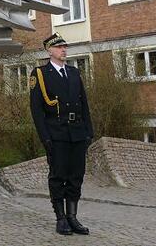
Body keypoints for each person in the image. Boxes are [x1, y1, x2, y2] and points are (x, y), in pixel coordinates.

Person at [29, 33, 94, 236]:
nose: (63, 50)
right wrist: (45, 138)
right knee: (58, 177)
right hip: (56, 134)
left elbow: (84, 104)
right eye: (59, 47)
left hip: (77, 133)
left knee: (76, 176)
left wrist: (88, 132)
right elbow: (37, 110)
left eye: (65, 47)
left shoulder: (74, 73)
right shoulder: (40, 74)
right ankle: (61, 218)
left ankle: (73, 217)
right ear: (49, 50)